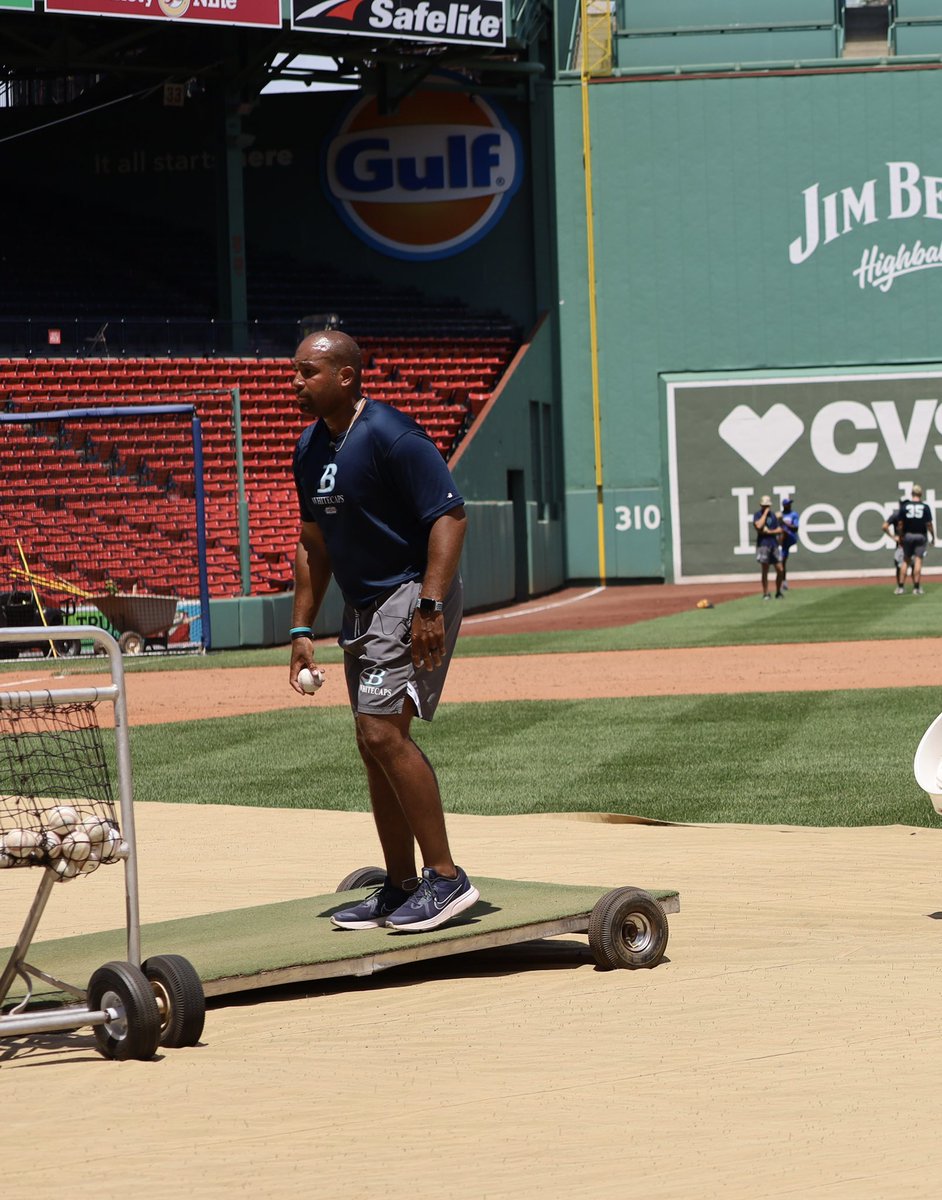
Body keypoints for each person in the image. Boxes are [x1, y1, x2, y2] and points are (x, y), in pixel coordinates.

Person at [288, 330, 479, 933]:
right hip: (361, 604)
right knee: (372, 746)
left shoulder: (391, 434)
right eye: (295, 372)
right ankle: (399, 886)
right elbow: (313, 544)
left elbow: (449, 516)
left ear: (346, 376)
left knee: (381, 731)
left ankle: (446, 879)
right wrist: (300, 626)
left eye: (307, 372)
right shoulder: (309, 448)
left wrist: (430, 604)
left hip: (409, 590)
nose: (296, 383)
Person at [895, 484, 934, 595]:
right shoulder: (925, 507)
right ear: (921, 494)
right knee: (918, 560)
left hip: (908, 536)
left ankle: (901, 587)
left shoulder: (905, 507)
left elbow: (900, 524)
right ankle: (916, 587)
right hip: (920, 535)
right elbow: (929, 524)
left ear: (912, 494)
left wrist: (901, 535)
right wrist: (933, 536)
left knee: (906, 560)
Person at [753, 494, 784, 599]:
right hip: (763, 545)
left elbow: (780, 529)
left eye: (767, 506)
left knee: (780, 568)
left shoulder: (774, 516)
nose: (766, 508)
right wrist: (765, 514)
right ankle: (766, 593)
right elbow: (758, 526)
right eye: (764, 506)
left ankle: (778, 591)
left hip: (773, 544)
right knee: (765, 569)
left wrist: (770, 531)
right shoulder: (757, 515)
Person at [881, 496, 908, 594]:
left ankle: (901, 587)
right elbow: (884, 526)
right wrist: (893, 537)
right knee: (911, 564)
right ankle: (915, 587)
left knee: (900, 565)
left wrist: (893, 537)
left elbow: (884, 527)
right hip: (906, 543)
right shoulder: (905, 514)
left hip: (902, 543)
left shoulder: (896, 514)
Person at [778, 495, 799, 591]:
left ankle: (783, 582)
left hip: (791, 537)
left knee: (784, 531)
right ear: (784, 505)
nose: (790, 505)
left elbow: (795, 528)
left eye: (790, 504)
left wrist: (783, 522)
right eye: (788, 504)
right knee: (782, 562)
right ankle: (783, 582)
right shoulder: (780, 515)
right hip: (782, 540)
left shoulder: (793, 514)